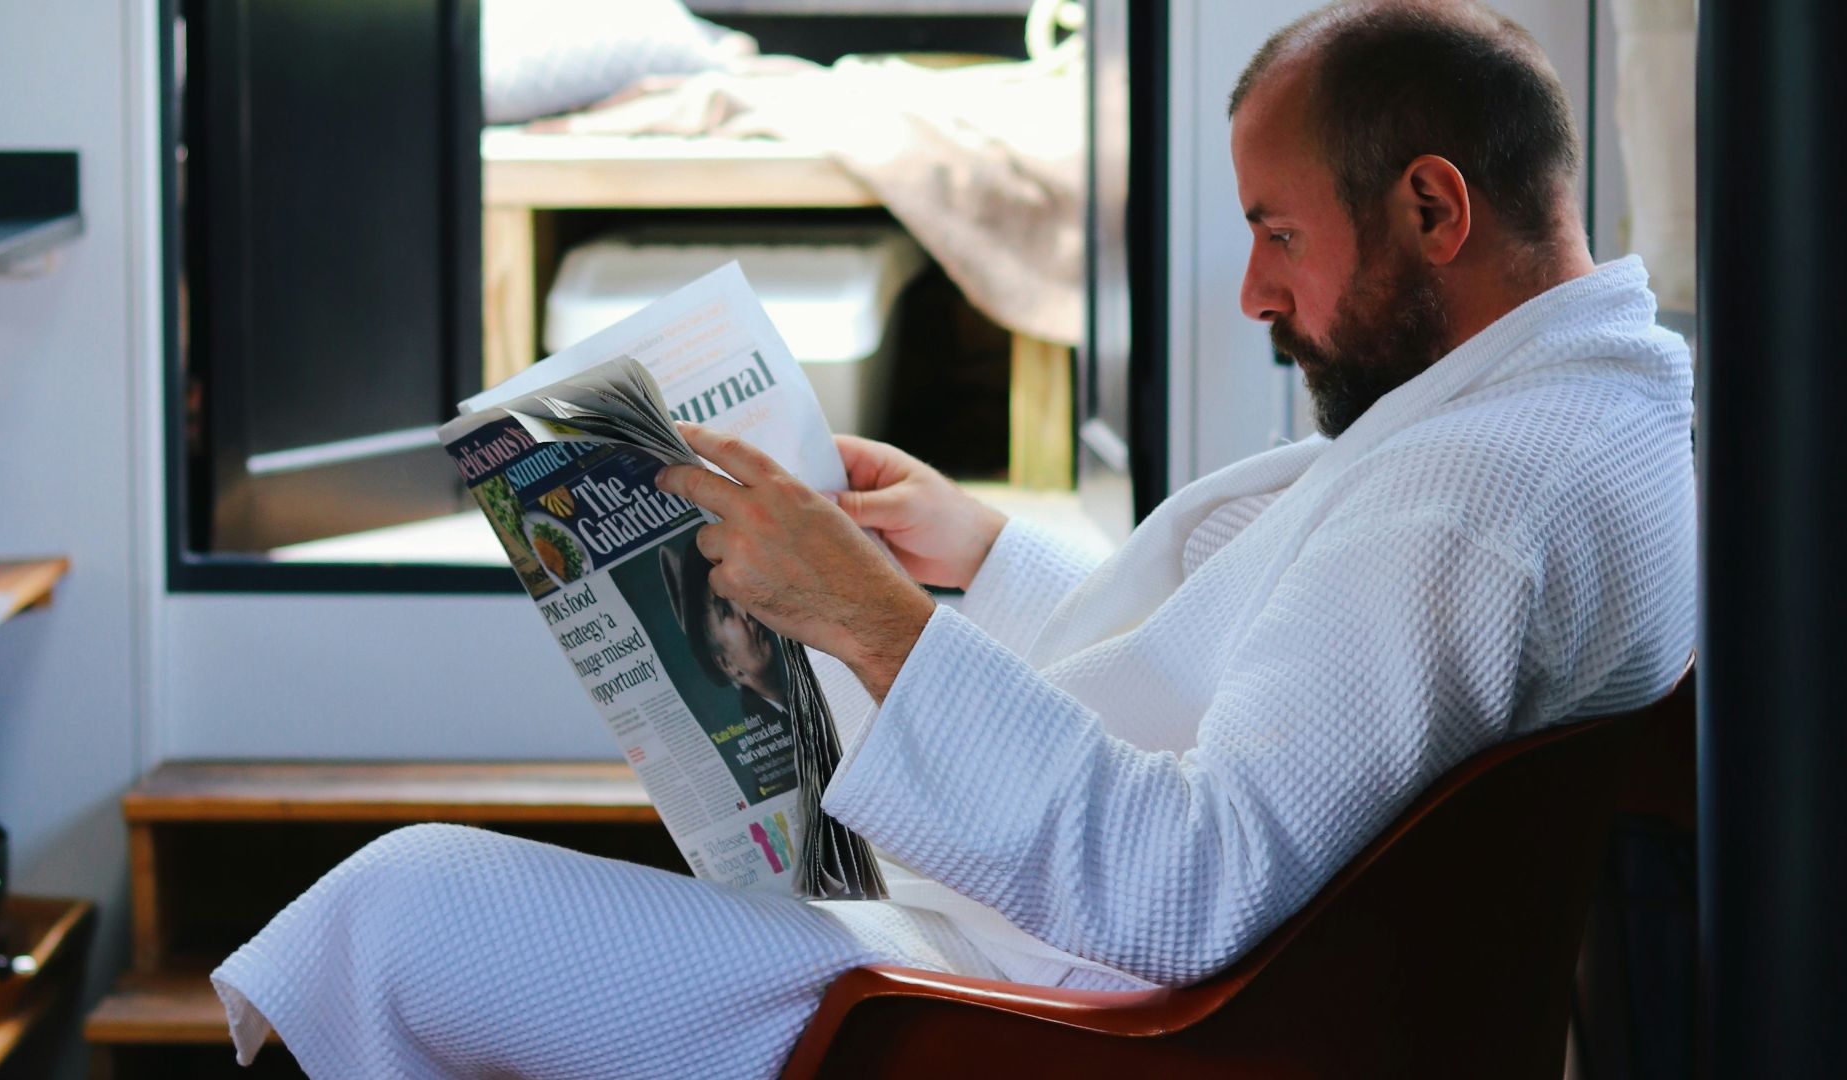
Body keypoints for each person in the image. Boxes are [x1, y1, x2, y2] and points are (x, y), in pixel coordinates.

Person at [210, 3, 1696, 1076]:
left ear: (1433, 205)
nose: (1253, 293)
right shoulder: (1564, 419)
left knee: (402, 910)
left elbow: (1188, 885)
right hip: (1069, 953)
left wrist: (877, 623)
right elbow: (1249, 686)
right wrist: (979, 556)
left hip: (1050, 1017)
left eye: (1279, 233)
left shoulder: (1474, 504)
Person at [660, 534, 789, 726]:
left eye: (736, 594)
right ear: (727, 664)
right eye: (726, 612)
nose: (747, 611)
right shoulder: (763, 727)